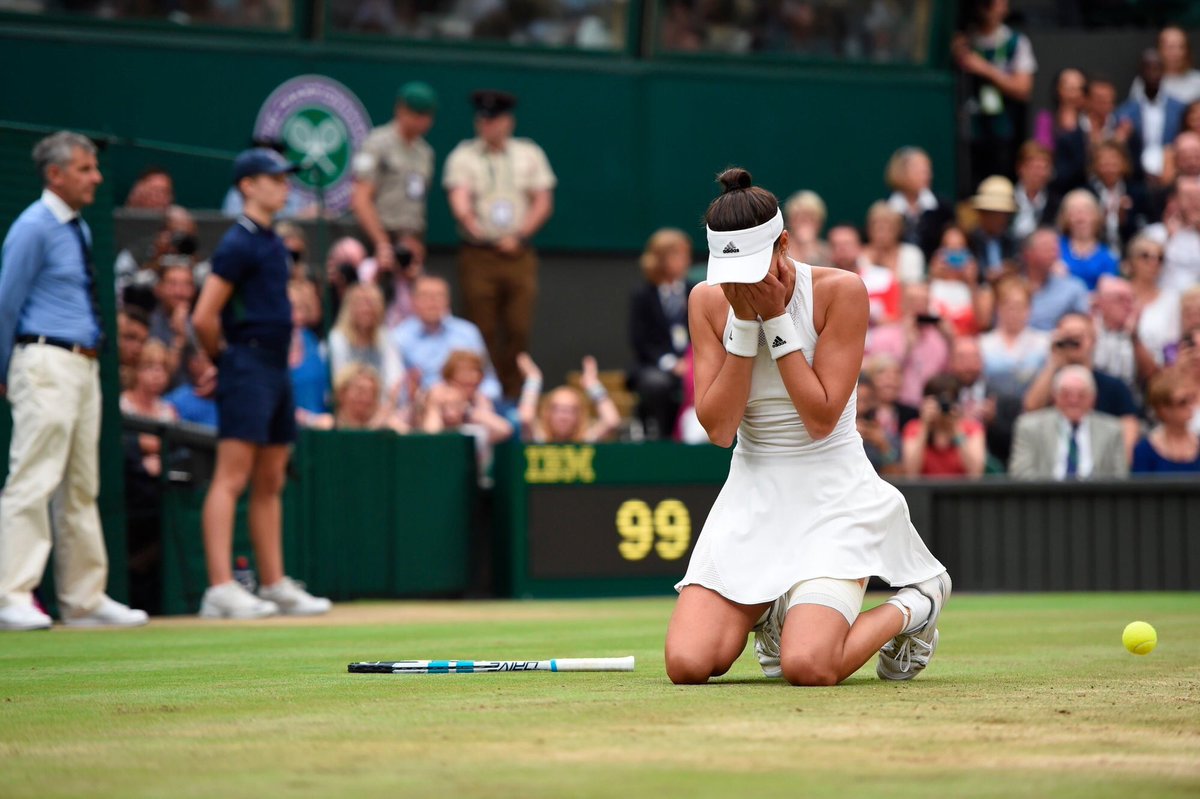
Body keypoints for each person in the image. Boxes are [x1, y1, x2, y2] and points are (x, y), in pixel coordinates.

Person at [665, 168, 950, 688]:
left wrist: (775, 321)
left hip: (833, 497)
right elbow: (720, 430)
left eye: (754, 268)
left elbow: (820, 420)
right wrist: (746, 325)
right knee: (687, 665)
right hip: (752, 494)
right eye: (733, 273)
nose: (742, 284)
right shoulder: (708, 301)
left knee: (808, 667)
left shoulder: (841, 291)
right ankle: (777, 611)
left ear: (785, 245)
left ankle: (917, 604)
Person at [0, 130, 148, 630]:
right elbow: (6, 302)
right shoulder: (33, 226)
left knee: (81, 485)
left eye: (94, 168)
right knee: (33, 478)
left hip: (83, 366)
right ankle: (10, 595)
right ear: (54, 174)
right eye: (85, 169)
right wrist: (3, 369)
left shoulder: (78, 229)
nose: (97, 177)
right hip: (44, 360)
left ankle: (83, 599)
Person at [191, 147, 331, 619]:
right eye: (273, 178)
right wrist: (224, 359)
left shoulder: (273, 241)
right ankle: (220, 587)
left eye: (285, 178)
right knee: (232, 476)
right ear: (247, 185)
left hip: (275, 368)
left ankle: (273, 584)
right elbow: (204, 316)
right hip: (247, 364)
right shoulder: (238, 243)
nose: (283, 185)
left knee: (271, 478)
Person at [443, 89, 556, 398]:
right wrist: (477, 229)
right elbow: (459, 200)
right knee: (481, 328)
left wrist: (518, 236)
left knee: (519, 327)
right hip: (479, 254)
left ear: (507, 122)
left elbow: (543, 201)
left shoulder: (528, 153)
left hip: (518, 253)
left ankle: (513, 392)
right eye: (482, 119)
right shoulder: (463, 155)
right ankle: (481, 391)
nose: (486, 126)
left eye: (493, 120)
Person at [1022, 312, 1140, 454]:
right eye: (1066, 337)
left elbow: (1129, 432)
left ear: (1093, 340)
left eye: (1078, 337)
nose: (1072, 343)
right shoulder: (1048, 383)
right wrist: (1054, 361)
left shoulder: (1114, 387)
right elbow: (1031, 409)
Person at [952, 0, 1036, 187]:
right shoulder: (965, 42)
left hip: (1003, 131)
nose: (995, 7)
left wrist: (984, 69)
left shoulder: (1015, 42)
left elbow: (1023, 89)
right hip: (969, 131)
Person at [628, 227, 695, 439]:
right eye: (678, 255)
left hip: (693, 362)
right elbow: (640, 341)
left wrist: (690, 362)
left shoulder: (694, 290)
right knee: (657, 384)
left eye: (686, 254)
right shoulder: (642, 295)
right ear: (660, 258)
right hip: (655, 365)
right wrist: (671, 363)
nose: (685, 260)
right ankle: (663, 439)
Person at [391, 274, 501, 402]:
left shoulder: (468, 333)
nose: (432, 302)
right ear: (413, 301)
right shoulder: (399, 337)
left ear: (448, 300)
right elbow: (394, 387)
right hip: (419, 408)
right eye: (425, 296)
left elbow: (491, 383)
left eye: (438, 296)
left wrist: (476, 395)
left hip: (467, 405)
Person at [1009, 365, 1128, 480]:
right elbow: (1021, 475)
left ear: (1093, 398)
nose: (1073, 400)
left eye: (1081, 395)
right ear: (1055, 396)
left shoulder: (1112, 430)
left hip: (1095, 498)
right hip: (1046, 497)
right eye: (1066, 394)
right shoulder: (1030, 427)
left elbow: (1119, 478)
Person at [327, 281, 405, 408]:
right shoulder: (336, 340)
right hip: (346, 408)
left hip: (379, 407)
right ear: (349, 308)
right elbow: (338, 382)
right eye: (360, 303)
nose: (366, 309)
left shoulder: (385, 338)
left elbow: (395, 379)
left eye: (371, 304)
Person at [1118, 48, 1187, 186]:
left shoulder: (1180, 108)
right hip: (1136, 175)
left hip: (1172, 173)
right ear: (1140, 73)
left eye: (1157, 69)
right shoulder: (1125, 111)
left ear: (1163, 72)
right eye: (1147, 68)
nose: (1152, 74)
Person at [516, 353, 620, 443]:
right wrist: (534, 378)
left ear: (580, 415)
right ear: (547, 413)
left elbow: (611, 421)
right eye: (557, 409)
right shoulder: (539, 440)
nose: (563, 417)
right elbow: (526, 418)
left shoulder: (585, 442)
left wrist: (592, 384)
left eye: (570, 411)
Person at [900, 375, 987, 478]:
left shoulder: (972, 428)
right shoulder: (914, 428)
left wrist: (956, 429)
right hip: (924, 492)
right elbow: (911, 474)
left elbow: (975, 473)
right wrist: (925, 427)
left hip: (961, 492)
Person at [883, 146, 953, 260]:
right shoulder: (886, 209)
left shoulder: (943, 208)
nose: (927, 175)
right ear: (901, 172)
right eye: (919, 170)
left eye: (927, 170)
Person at [1020, 226, 1090, 331]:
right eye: (1046, 247)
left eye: (1055, 247)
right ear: (1027, 254)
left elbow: (1085, 327)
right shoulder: (1011, 287)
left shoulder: (1073, 288)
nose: (1053, 252)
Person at [1131, 367, 1200, 473]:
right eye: (1182, 402)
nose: (1190, 406)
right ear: (1163, 409)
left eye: (1192, 398)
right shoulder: (1144, 450)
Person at [1126, 235, 1179, 365]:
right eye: (1145, 256)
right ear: (1131, 260)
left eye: (1160, 258)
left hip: (1156, 370)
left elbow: (1171, 346)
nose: (1153, 262)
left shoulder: (1172, 300)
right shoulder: (1116, 294)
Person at [1057, 189, 1120, 291]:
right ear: (1065, 218)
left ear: (1096, 216)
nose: (1080, 218)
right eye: (1074, 212)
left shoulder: (1107, 256)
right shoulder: (1054, 247)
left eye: (1086, 212)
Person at [967, 175, 1019, 280]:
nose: (1001, 219)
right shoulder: (969, 240)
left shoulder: (1012, 241)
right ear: (983, 214)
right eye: (995, 214)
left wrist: (1011, 270)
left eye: (1005, 214)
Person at [863, 200, 925, 284]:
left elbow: (914, 288)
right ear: (869, 230)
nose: (882, 235)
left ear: (898, 231)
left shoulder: (911, 254)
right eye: (878, 229)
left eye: (888, 229)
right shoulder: (859, 257)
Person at [332, 363, 406, 432]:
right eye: (360, 391)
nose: (365, 398)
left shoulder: (388, 426)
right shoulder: (329, 426)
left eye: (372, 392)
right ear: (342, 393)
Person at [1011, 141, 1061, 242]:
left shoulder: (1055, 203)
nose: (1040, 174)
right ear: (1020, 168)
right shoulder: (1007, 198)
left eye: (1045, 168)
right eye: (1035, 168)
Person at [783, 190, 831, 266]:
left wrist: (809, 247)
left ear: (819, 222)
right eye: (799, 217)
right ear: (790, 220)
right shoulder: (781, 248)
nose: (805, 222)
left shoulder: (827, 251)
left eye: (811, 217)